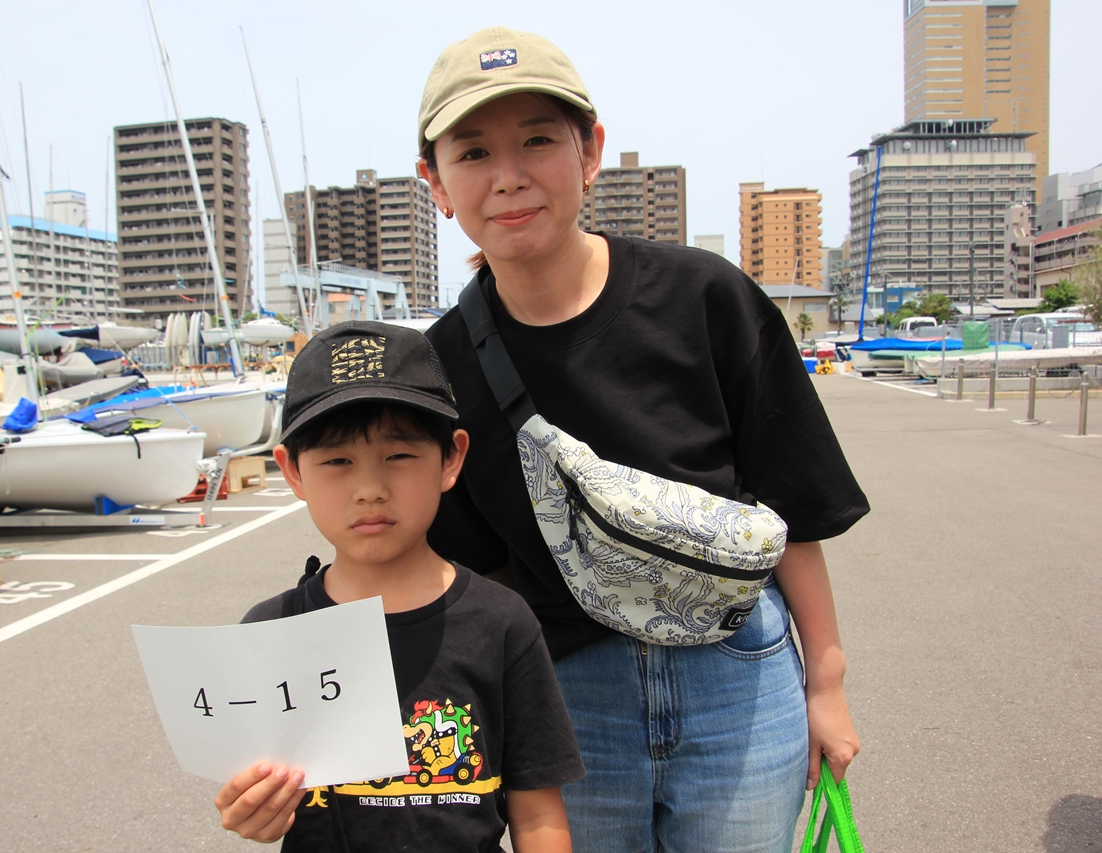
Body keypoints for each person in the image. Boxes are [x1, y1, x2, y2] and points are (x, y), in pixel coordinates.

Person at [416, 27, 870, 853]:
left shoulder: (704, 296)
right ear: (436, 183)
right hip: (564, 698)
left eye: (538, 140)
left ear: (589, 151)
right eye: (473, 151)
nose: (508, 174)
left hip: (738, 673)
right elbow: (470, 573)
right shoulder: (440, 367)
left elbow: (792, 510)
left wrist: (826, 684)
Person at [215, 321, 585, 852]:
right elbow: (255, 798)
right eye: (337, 461)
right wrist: (255, 814)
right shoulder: (271, 632)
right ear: (292, 471)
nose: (370, 489)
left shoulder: (502, 623)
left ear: (451, 458)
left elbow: (538, 813)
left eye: (399, 456)